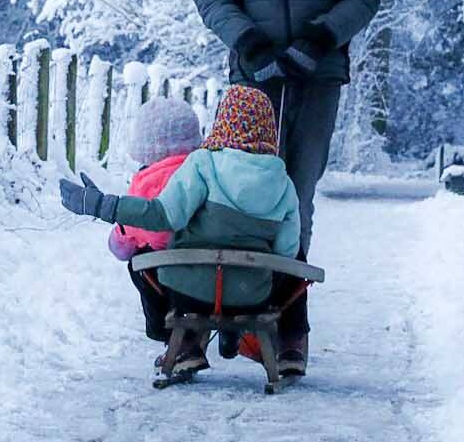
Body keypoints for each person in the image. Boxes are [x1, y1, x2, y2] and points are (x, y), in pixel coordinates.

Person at [190, 0, 383, 365]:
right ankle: (218, 308)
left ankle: (288, 323)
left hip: (318, 73)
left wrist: (317, 41)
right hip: (252, 75)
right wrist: (251, 43)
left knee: (297, 193)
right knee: (232, 187)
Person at [60, 85, 303, 378]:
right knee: (298, 258)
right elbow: (287, 252)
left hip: (189, 293)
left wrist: (102, 204)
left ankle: (185, 344)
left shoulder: (202, 162)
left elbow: (165, 215)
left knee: (144, 258)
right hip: (251, 294)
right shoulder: (284, 183)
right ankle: (291, 345)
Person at [107, 97, 203, 266]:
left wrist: (121, 234)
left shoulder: (144, 183)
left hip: (164, 281)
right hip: (210, 274)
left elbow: (121, 250)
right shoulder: (204, 171)